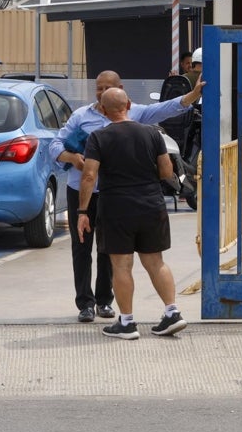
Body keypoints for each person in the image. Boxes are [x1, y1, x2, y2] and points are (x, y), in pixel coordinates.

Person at [51, 70, 205, 323]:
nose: (101, 93)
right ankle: (85, 304)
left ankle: (104, 301)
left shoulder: (136, 113)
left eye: (106, 88)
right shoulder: (81, 117)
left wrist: (192, 95)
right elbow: (56, 144)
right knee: (82, 248)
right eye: (98, 88)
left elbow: (167, 109)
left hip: (113, 196)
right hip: (82, 192)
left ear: (121, 89)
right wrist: (71, 158)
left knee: (109, 251)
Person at [77, 87, 188, 340]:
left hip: (116, 208)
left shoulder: (98, 137)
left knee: (121, 265)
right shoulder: (152, 133)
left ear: (103, 110)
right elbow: (165, 172)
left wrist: (83, 211)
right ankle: (172, 313)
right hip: (151, 205)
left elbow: (89, 175)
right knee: (155, 262)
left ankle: (127, 323)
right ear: (128, 104)